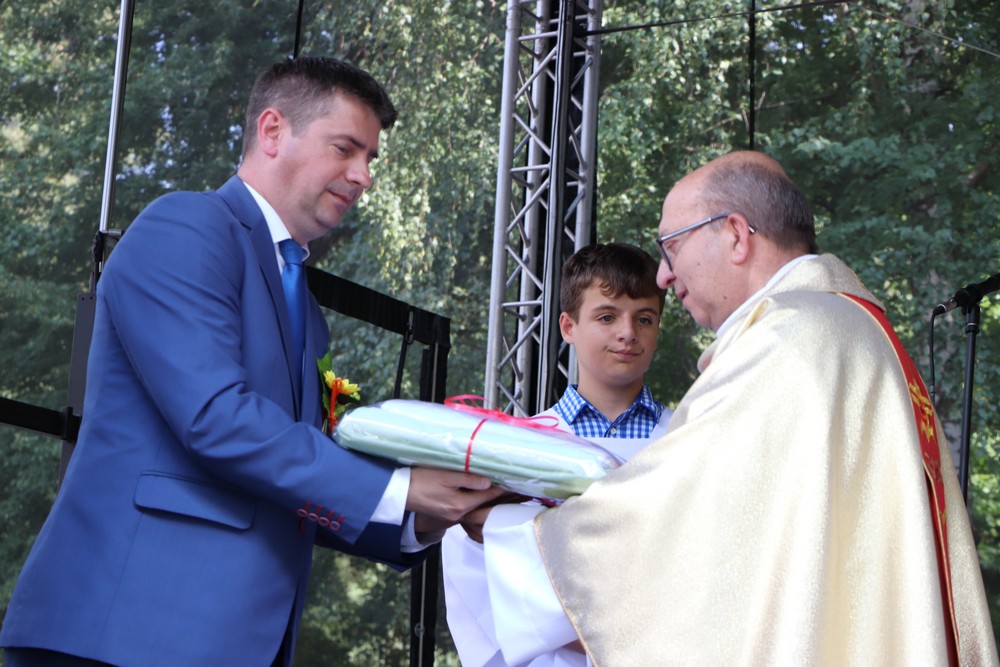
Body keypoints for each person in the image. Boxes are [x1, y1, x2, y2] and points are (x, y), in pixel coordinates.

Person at [0, 56, 503, 667]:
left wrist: (429, 512)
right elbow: (217, 418)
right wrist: (398, 489)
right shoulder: (184, 226)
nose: (364, 175)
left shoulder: (303, 306)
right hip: (126, 631)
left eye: (370, 158)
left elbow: (293, 472)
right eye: (345, 148)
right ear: (272, 131)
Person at [468, 151, 999, 665]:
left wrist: (501, 529)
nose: (663, 276)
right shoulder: (849, 328)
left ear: (737, 236)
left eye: (671, 247)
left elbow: (680, 523)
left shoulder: (787, 342)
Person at [442, 243, 673, 667]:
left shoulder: (688, 441)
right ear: (568, 326)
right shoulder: (515, 452)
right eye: (607, 317)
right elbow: (470, 560)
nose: (628, 333)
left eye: (645, 318)